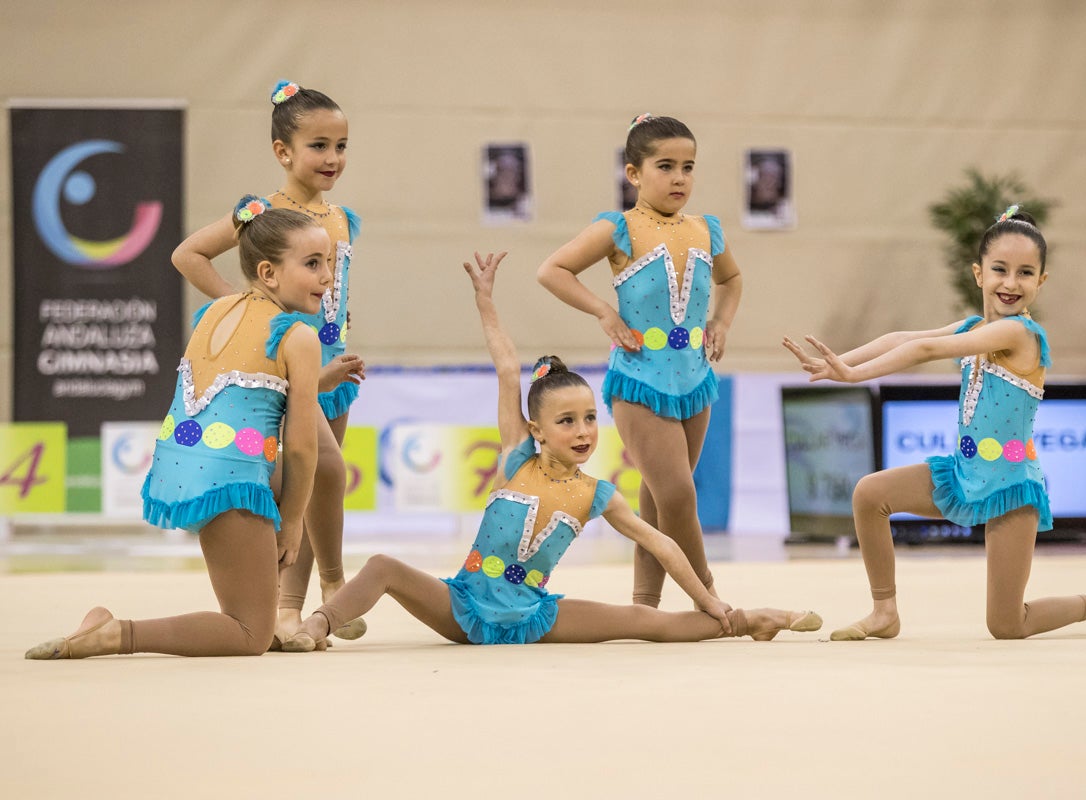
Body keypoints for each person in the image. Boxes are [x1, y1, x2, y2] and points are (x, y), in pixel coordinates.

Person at [280, 252, 818, 651]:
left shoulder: (597, 493)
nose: (583, 431)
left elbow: (660, 542)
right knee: (380, 566)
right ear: (537, 428)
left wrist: (710, 601)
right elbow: (507, 366)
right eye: (567, 421)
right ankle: (315, 625)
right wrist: (485, 301)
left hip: (535, 616)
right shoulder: (517, 456)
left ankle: (753, 619)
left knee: (646, 623)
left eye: (589, 418)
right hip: (464, 606)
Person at [783, 206, 1086, 640]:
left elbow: (927, 353)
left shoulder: (1019, 334)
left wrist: (854, 376)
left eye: (1025, 273)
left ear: (1041, 281)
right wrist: (836, 364)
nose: (1010, 282)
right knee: (870, 494)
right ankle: (884, 611)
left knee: (1006, 624)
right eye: (1000, 269)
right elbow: (904, 340)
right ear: (979, 273)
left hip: (1009, 484)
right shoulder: (973, 325)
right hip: (963, 475)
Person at [26, 200, 328, 658]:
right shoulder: (299, 337)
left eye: (328, 262)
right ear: (268, 273)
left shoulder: (215, 310)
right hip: (230, 476)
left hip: (182, 464)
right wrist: (291, 527)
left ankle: (274, 609)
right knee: (249, 635)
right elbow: (305, 449)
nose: (328, 277)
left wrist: (246, 218)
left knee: (264, 619)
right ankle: (118, 632)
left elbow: (245, 393)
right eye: (312, 264)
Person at [171, 80, 366, 645]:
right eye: (319, 146)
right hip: (282, 367)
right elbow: (188, 253)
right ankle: (335, 586)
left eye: (342, 145)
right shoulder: (265, 213)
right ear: (284, 152)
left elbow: (336, 290)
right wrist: (247, 311)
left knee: (306, 489)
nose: (333, 158)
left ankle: (288, 611)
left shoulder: (344, 219)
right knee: (320, 471)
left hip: (331, 366)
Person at [536, 114, 742, 608]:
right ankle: (710, 600)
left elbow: (732, 281)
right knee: (677, 497)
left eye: (688, 167)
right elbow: (553, 270)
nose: (678, 178)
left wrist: (722, 323)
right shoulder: (619, 228)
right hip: (640, 379)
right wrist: (603, 310)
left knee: (660, 499)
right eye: (665, 166)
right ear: (634, 173)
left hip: (695, 379)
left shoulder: (705, 228)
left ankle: (645, 603)